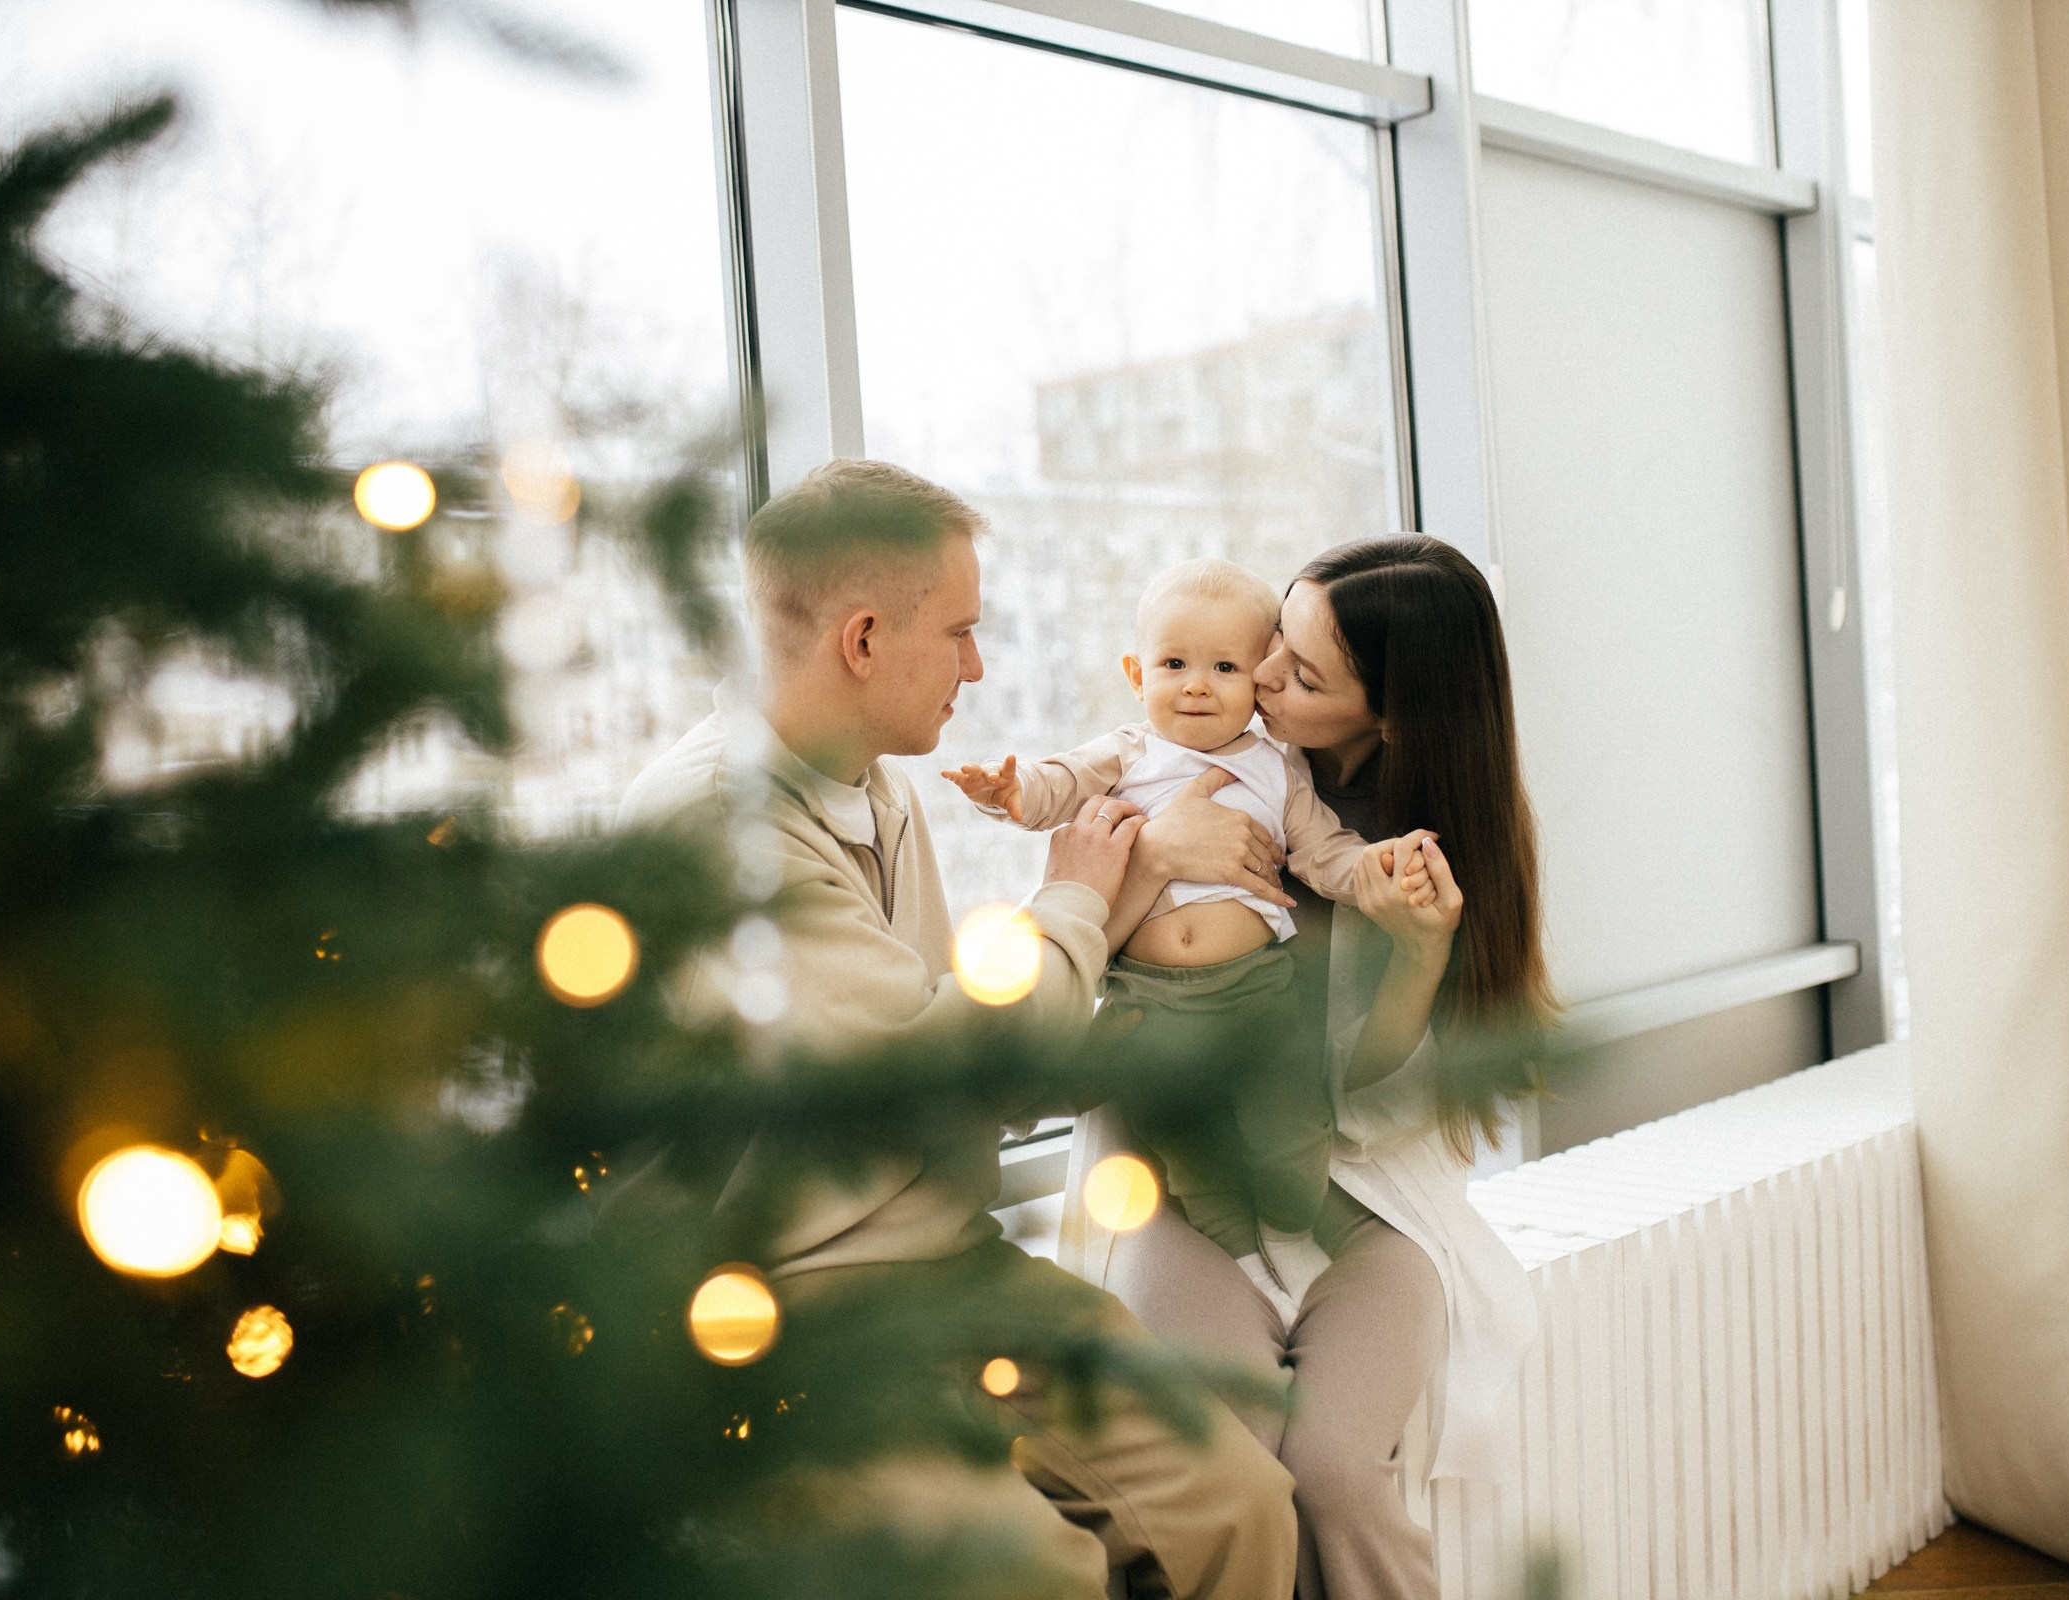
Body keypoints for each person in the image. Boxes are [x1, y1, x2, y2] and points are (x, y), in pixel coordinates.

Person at [619, 459, 1299, 1600]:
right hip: (782, 1313)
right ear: (864, 638)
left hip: (948, 1264)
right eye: (963, 632)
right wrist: (1078, 896)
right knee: (1039, 1577)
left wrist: (1130, 872)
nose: (979, 666)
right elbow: (944, 1067)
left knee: (1240, 1506)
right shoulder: (719, 828)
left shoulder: (872, 786)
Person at [1101, 536, 1555, 1600]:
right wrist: (1161, 856)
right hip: (1184, 1175)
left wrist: (1420, 951)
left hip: (1361, 1197)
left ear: (1388, 717)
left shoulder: (1424, 854)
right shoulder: (1189, 772)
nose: (1252, 680)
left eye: (1296, 675)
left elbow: (1376, 1106)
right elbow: (1092, 974)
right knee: (1230, 1466)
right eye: (1274, 645)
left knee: (1338, 1469)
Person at [942, 557, 1408, 1326]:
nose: (1196, 685)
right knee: (1194, 1157)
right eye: (1174, 664)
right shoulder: (1128, 752)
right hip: (1152, 1001)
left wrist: (1376, 867)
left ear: (1258, 680)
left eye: (1224, 667)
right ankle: (1247, 1268)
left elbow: (1325, 854)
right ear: (1136, 674)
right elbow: (1057, 784)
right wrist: (1011, 794)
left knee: (1287, 1122)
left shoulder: (1278, 769)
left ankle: (1294, 1225)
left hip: (1257, 989)